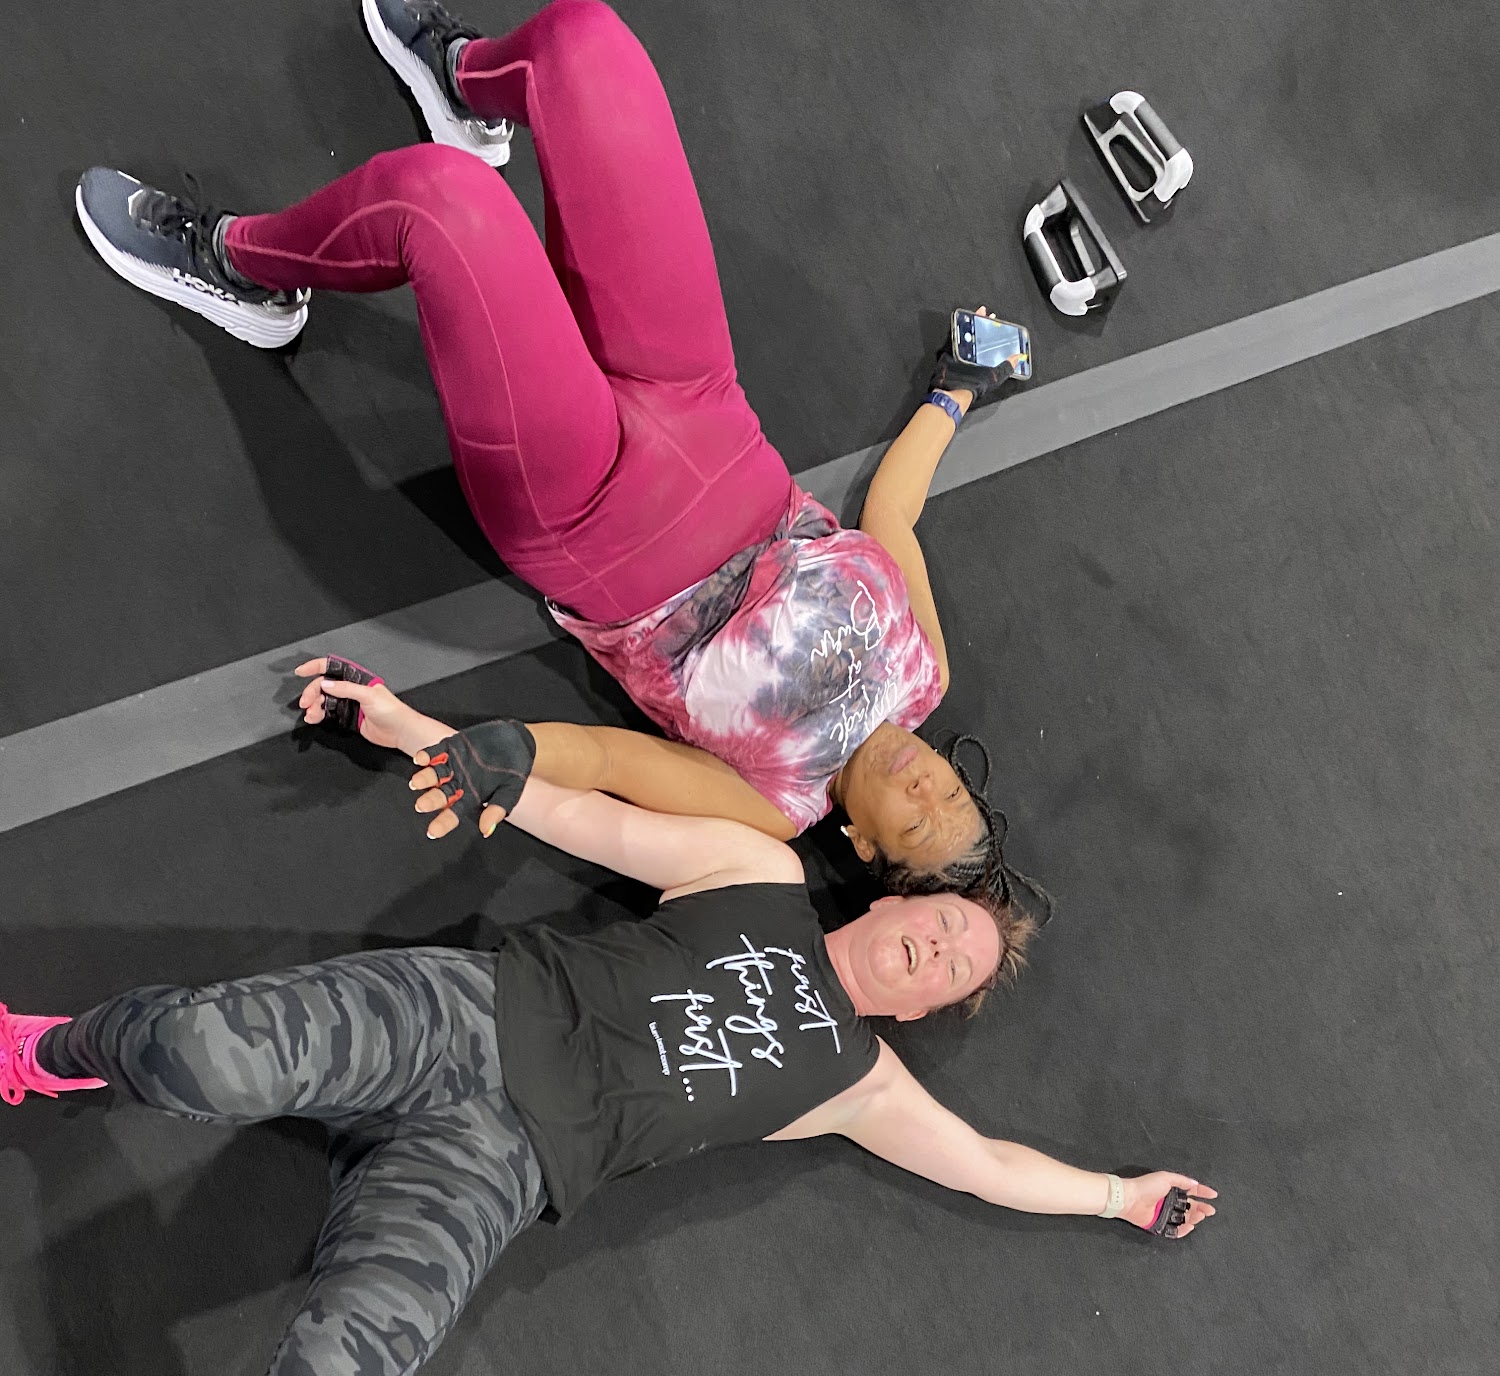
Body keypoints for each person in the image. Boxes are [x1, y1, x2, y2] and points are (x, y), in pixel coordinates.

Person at [2, 737, 1214, 1376]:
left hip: (497, 1166)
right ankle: (44, 1053)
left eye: (954, 966)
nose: (936, 947)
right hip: (467, 1013)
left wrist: (1122, 1193)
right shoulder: (762, 876)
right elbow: (598, 819)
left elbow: (988, 1165)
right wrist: (460, 748)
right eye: (942, 923)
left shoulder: (862, 1084)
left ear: (925, 1009)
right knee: (193, 1053)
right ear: (898, 901)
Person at [74, 0, 1033, 895]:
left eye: (915, 825)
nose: (925, 788)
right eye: (950, 791)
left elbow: (614, 761)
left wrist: (511, 750)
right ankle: (464, 85)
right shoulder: (925, 675)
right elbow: (892, 514)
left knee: (440, 206)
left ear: (862, 844)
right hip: (703, 403)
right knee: (585, 46)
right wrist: (956, 391)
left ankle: (240, 268)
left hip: (594, 519)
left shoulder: (777, 805)